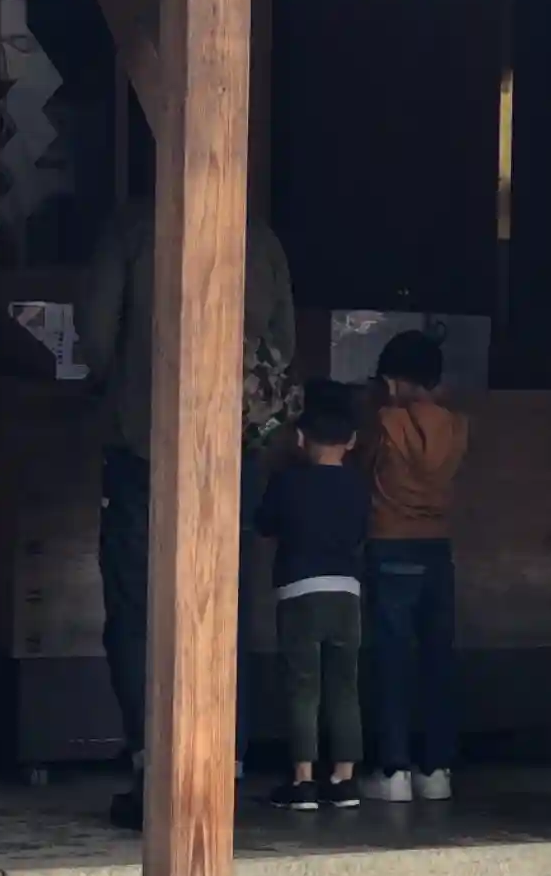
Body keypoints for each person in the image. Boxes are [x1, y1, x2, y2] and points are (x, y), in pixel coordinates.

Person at [76, 196, 296, 833]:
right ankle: (225, 765)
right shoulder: (258, 235)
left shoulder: (132, 228)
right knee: (225, 605)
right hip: (232, 449)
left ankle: (152, 766)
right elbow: (282, 345)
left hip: (143, 442)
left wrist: (125, 386)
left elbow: (96, 334)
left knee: (136, 606)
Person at [357, 331, 469, 803]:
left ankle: (394, 770)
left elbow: (362, 467)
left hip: (389, 544)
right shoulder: (457, 426)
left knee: (392, 660)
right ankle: (436, 769)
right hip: (437, 547)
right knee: (436, 659)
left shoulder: (385, 422)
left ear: (392, 379)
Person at [254, 382, 372, 811]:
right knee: (345, 685)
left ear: (301, 438)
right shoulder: (359, 487)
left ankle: (303, 780)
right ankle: (344, 778)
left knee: (303, 686)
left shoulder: (288, 482)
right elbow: (361, 534)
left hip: (300, 592)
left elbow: (264, 524)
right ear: (352, 441)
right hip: (347, 592)